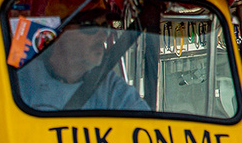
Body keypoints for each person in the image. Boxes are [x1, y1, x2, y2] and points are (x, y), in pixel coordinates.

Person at [14, 24, 150, 113]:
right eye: (91, 27)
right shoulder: (21, 80)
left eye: (106, 28)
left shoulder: (110, 87)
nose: (103, 36)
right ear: (60, 33)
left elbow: (146, 127)